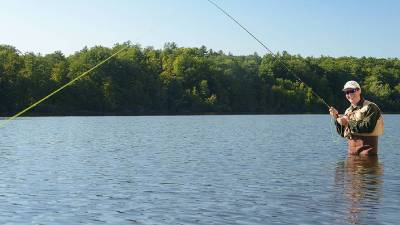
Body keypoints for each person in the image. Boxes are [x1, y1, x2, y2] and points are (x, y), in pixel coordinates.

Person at [329, 81, 384, 155]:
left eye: (352, 91)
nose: (349, 94)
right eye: (347, 92)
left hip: (367, 152)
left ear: (359, 91)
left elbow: (368, 127)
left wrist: (348, 122)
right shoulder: (348, 111)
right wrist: (336, 117)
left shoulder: (371, 107)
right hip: (352, 152)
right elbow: (342, 133)